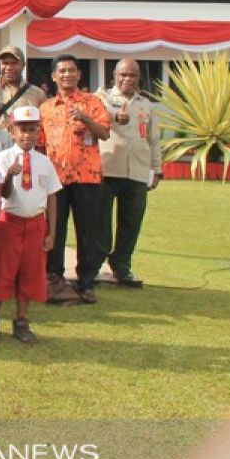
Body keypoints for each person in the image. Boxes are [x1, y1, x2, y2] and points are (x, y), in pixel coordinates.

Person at [0, 106, 61, 344]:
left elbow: (51, 197)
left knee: (30, 273)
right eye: (22, 130)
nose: (27, 135)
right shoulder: (3, 158)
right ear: (12, 131)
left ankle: (22, 321)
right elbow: (3, 193)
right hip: (9, 223)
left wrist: (51, 233)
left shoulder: (45, 162)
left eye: (32, 130)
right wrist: (8, 175)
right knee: (2, 272)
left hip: (36, 225)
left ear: (38, 131)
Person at [40, 54, 111, 303]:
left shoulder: (93, 102)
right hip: (56, 178)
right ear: (54, 76)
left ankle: (87, 281)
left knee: (87, 232)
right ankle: (55, 278)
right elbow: (40, 144)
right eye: (62, 71)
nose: (67, 75)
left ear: (79, 74)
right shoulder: (46, 108)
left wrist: (86, 119)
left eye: (72, 70)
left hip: (87, 178)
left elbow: (104, 133)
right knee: (55, 230)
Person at [96, 58, 162, 288]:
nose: (127, 79)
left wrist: (157, 169)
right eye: (123, 75)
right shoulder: (101, 99)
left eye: (132, 75)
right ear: (115, 75)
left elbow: (153, 140)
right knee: (101, 221)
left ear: (138, 78)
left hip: (138, 170)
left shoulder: (146, 105)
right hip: (108, 169)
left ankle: (122, 266)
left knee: (131, 222)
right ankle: (95, 263)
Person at [0, 45, 47, 131]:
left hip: (22, 143)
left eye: (14, 63)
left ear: (23, 65)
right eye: (5, 63)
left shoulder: (37, 94)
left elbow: (43, 125)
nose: (9, 68)